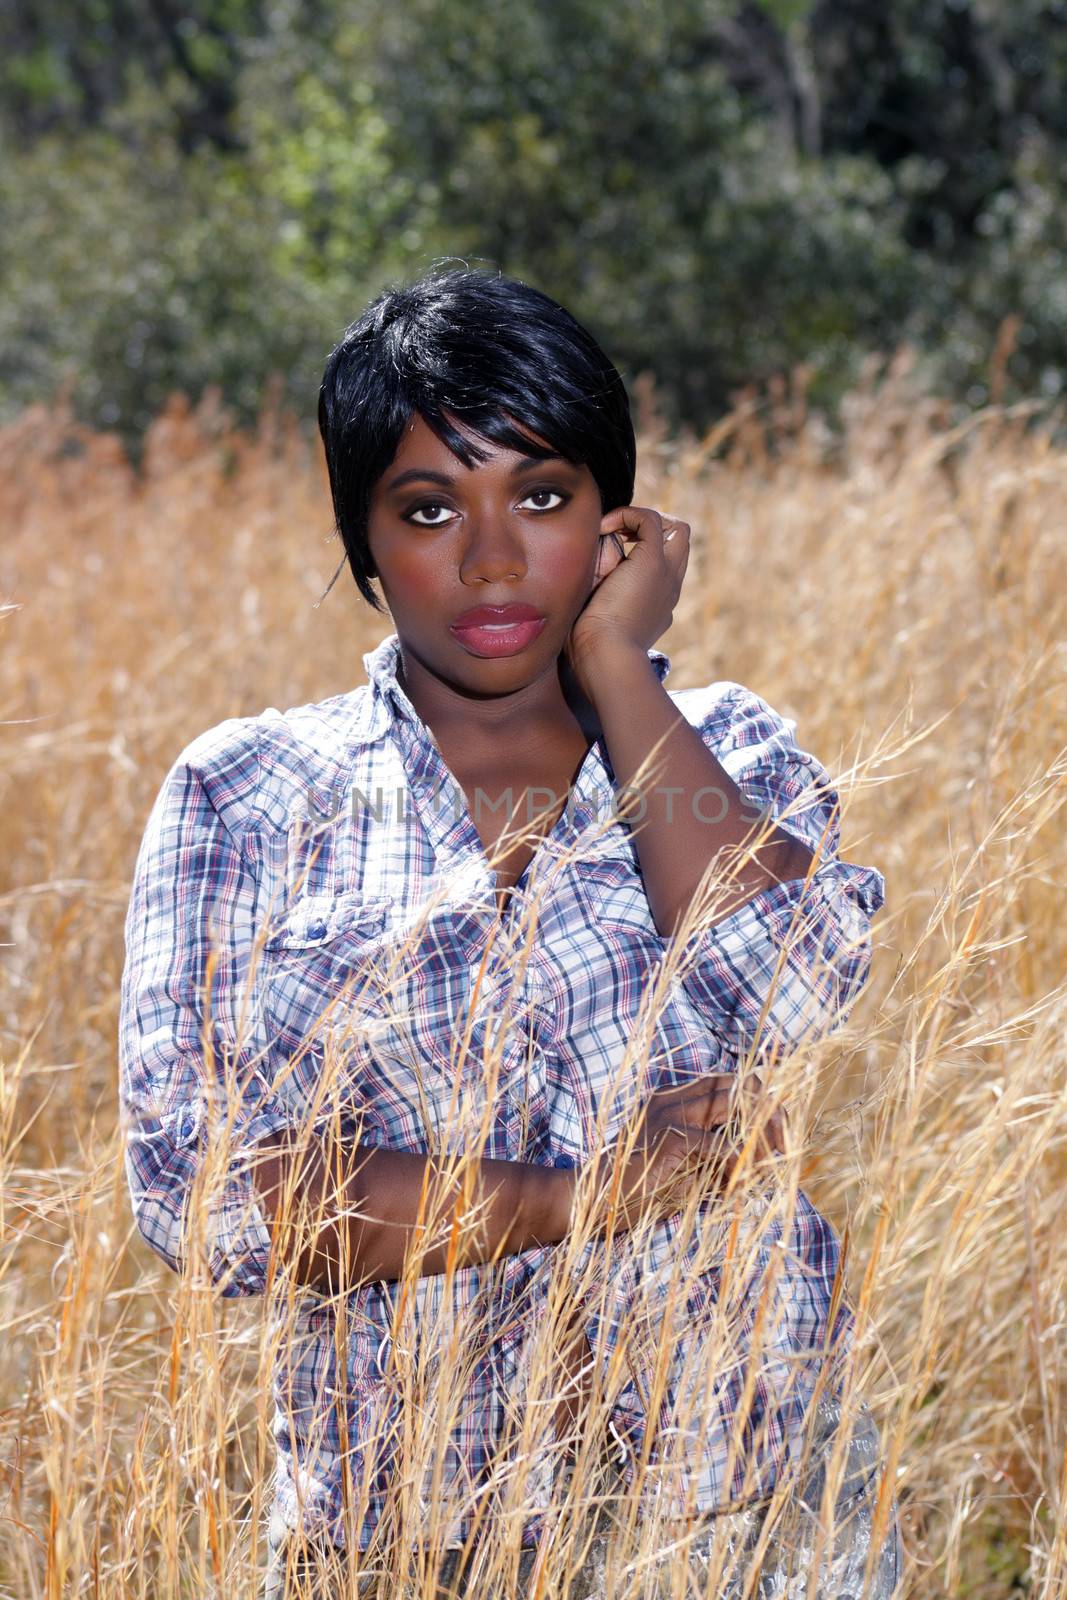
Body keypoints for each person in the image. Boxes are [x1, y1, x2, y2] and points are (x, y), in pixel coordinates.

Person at [117, 266, 903, 1598]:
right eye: (429, 509)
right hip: (407, 1531)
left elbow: (797, 997)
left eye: (540, 496)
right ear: (365, 540)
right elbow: (200, 1198)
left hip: (750, 1518)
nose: (490, 556)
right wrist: (575, 1198)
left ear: (614, 520)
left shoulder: (725, 749)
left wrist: (615, 675)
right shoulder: (245, 794)